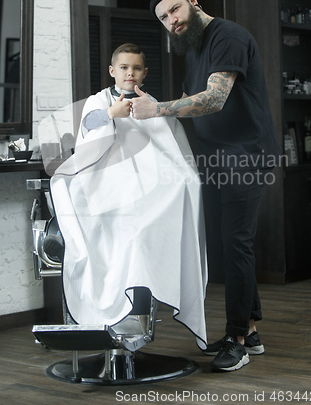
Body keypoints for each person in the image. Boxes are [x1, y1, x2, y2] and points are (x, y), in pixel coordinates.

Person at [131, 0, 281, 372]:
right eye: (164, 18)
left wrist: (158, 108)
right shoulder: (194, 45)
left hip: (244, 155)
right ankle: (250, 329)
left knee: (236, 245)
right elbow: (191, 103)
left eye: (175, 10)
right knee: (227, 244)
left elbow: (215, 99)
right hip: (216, 157)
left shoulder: (227, 36)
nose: (172, 21)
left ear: (193, 1)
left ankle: (238, 339)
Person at [49, 43, 208, 349]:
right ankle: (117, 321)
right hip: (107, 188)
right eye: (124, 68)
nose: (130, 74)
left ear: (144, 73)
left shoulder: (152, 105)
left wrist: (186, 181)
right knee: (124, 237)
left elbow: (173, 152)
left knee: (147, 229)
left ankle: (137, 321)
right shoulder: (98, 102)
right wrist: (111, 113)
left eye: (136, 68)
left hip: (151, 195)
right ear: (113, 71)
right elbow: (87, 126)